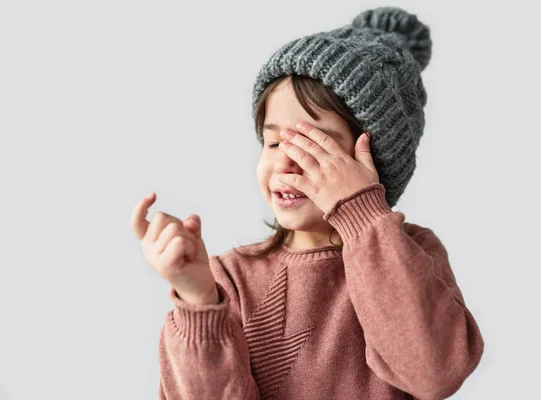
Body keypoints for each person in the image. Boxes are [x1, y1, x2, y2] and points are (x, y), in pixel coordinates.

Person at [129, 6, 485, 399]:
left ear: (374, 163)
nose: (285, 161)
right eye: (274, 141)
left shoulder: (413, 255)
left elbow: (432, 375)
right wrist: (198, 303)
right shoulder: (229, 279)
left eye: (316, 146)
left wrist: (362, 214)